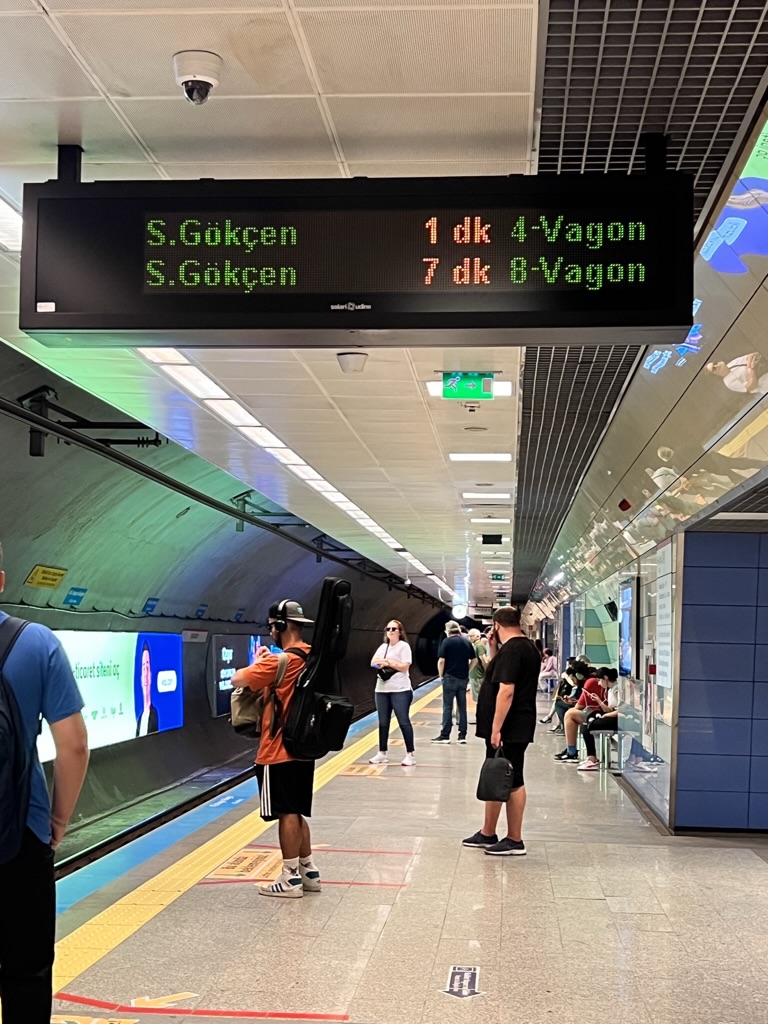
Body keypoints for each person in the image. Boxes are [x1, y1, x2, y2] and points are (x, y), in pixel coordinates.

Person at [0, 543, 89, 1023]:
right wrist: (56, 821)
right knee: (26, 972)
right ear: (0, 581)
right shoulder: (36, 642)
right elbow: (73, 745)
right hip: (22, 835)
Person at [232, 599, 318, 898]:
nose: (270, 632)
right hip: (303, 748)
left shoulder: (278, 662)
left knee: (285, 813)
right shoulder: (309, 656)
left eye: (271, 627)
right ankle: (308, 871)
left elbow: (239, 678)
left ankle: (290, 877)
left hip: (276, 749)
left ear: (279, 626)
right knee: (296, 810)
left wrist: (261, 661)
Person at [463, 606, 540, 856]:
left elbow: (507, 690)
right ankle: (488, 832)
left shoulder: (514, 650)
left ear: (496, 625)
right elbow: (496, 672)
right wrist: (494, 648)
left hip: (510, 727)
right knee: (497, 774)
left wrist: (496, 729)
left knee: (513, 778)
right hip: (515, 724)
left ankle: (515, 839)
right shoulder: (524, 647)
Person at [369, 620, 416, 767]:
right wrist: (384, 661)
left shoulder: (404, 646)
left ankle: (410, 754)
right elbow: (373, 662)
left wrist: (388, 663)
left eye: (393, 629)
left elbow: (404, 666)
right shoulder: (383, 647)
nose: (390, 631)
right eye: (388, 628)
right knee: (383, 722)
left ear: (400, 631)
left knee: (403, 721)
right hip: (381, 689)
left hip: (400, 689)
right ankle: (382, 752)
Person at [554, 667, 614, 763]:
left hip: (604, 715)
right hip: (602, 713)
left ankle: (573, 752)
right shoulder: (610, 689)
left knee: (570, 715)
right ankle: (581, 754)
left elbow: (579, 706)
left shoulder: (591, 682)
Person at [432, 621, 476, 744]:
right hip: (463, 679)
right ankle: (462, 735)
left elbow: (441, 661)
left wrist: (441, 676)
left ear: (447, 631)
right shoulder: (467, 642)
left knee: (447, 706)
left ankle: (445, 735)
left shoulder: (447, 642)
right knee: (462, 707)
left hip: (450, 677)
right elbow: (474, 660)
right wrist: (467, 670)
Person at [577, 674, 621, 771]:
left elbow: (621, 710)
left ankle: (592, 759)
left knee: (589, 727)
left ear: (605, 678)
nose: (598, 683)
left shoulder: (617, 690)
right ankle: (591, 757)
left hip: (619, 720)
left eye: (600, 680)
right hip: (612, 715)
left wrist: (606, 716)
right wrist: (598, 700)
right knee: (585, 725)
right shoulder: (610, 690)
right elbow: (609, 709)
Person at [135, 641, 158, 737]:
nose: (145, 673)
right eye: (143, 668)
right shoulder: (140, 718)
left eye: (148, 668)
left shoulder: (154, 715)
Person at [467, 628, 488, 725]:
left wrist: (486, 672)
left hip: (478, 675)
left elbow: (483, 659)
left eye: (471, 636)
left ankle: (480, 718)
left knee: (478, 698)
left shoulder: (479, 645)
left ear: (478, 636)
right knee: (477, 698)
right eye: (469, 636)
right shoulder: (476, 645)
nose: (470, 637)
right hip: (476, 675)